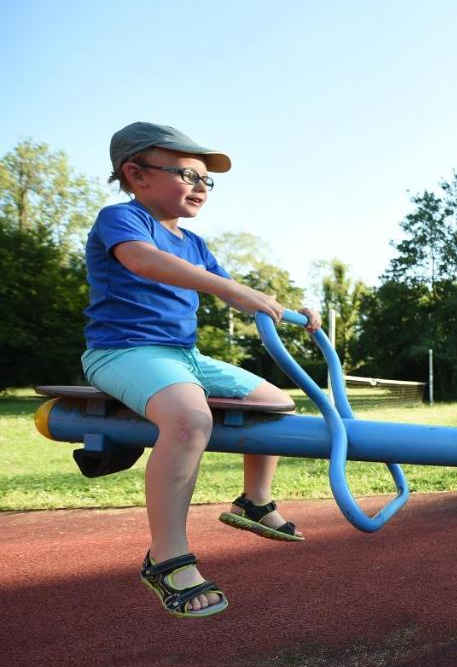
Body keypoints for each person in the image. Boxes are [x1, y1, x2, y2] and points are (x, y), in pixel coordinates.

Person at [81, 121, 321, 618]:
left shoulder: (195, 245)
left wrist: (291, 310)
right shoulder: (123, 221)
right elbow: (144, 263)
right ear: (135, 173)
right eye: (189, 175)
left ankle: (253, 501)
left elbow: (242, 297)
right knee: (191, 420)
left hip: (183, 354)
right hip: (123, 350)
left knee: (274, 401)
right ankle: (164, 556)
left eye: (207, 181)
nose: (201, 187)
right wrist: (231, 289)